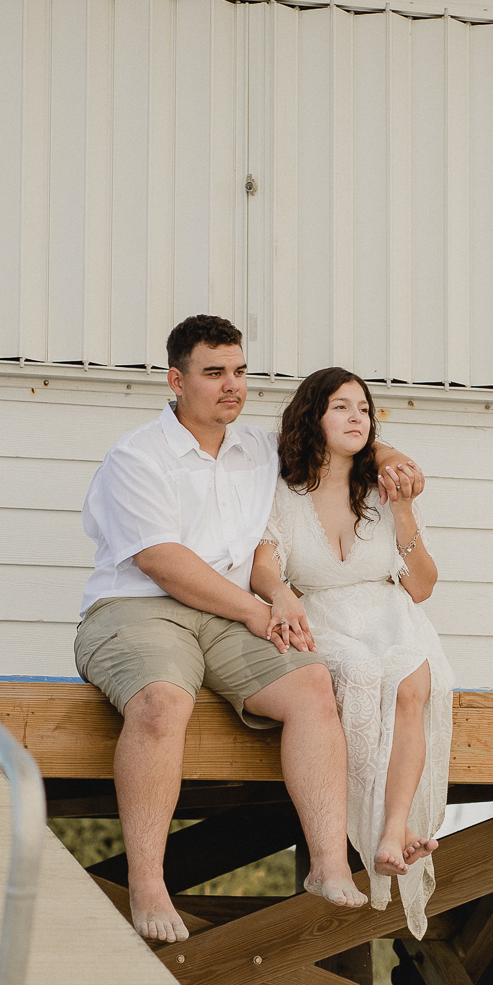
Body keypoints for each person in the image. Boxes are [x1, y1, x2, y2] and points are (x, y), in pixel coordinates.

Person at [75, 317, 425, 945]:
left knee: (313, 686)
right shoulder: (138, 456)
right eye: (214, 373)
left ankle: (325, 866)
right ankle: (149, 884)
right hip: (140, 608)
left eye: (239, 371)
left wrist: (393, 456)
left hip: (231, 617)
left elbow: (337, 440)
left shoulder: (260, 450)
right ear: (177, 380)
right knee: (162, 702)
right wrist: (257, 610)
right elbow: (162, 561)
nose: (231, 385)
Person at [253, 368, 455, 941]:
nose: (357, 417)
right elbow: (264, 561)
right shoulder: (282, 491)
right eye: (341, 407)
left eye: (364, 409)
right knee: (360, 674)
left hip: (389, 613)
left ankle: (394, 831)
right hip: (322, 616)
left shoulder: (380, 490)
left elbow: (421, 587)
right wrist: (281, 592)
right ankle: (357, 837)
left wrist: (406, 512)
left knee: (414, 679)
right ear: (313, 417)